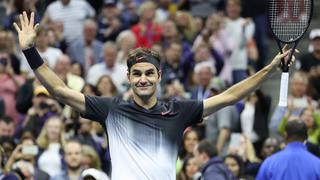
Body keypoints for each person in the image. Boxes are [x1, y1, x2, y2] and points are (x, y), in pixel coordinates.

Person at [14, 11, 294, 180]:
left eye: (149, 73)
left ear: (159, 76)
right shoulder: (111, 109)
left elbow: (231, 96)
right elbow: (59, 90)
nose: (143, 79)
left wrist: (270, 68)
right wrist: (30, 51)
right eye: (137, 74)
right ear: (129, 78)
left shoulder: (179, 110)